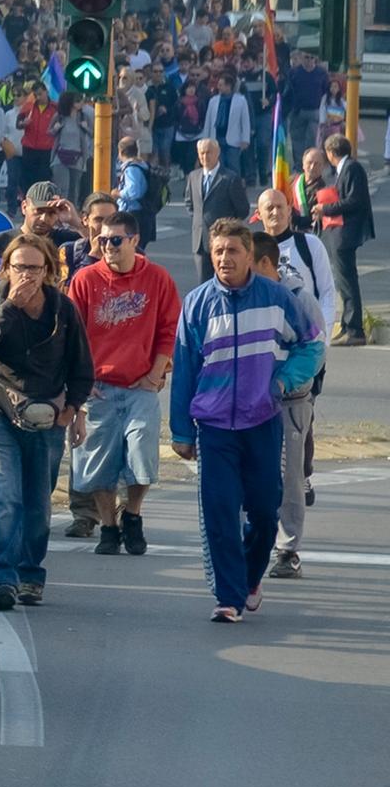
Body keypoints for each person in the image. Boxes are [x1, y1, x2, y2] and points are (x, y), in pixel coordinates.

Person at [171, 219, 324, 622]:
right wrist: (182, 431)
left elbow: (311, 345)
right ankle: (228, 597)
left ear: (250, 257)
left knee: (264, 509)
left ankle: (251, 578)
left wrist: (281, 383)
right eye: (218, 251)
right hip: (214, 425)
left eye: (232, 251)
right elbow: (185, 369)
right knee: (220, 511)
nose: (224, 258)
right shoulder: (198, 303)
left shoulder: (276, 298)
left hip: (262, 421)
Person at [0, 232, 93, 611]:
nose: (27, 275)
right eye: (19, 267)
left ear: (49, 272)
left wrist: (72, 409)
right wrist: (9, 308)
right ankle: (3, 579)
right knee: (5, 499)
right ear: (6, 268)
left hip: (47, 417)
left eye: (35, 269)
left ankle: (30, 575)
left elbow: (81, 364)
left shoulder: (62, 308)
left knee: (38, 503)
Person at [64, 212, 179, 561]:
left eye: (115, 240)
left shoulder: (157, 278)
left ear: (133, 240)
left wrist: (156, 373)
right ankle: (109, 526)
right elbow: (73, 336)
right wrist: (81, 387)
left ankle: (133, 515)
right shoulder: (84, 280)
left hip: (139, 384)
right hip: (98, 385)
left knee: (142, 455)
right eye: (101, 241)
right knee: (98, 462)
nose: (107, 247)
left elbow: (169, 328)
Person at [256, 187, 335, 578]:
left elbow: (315, 338)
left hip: (290, 397)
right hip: (248, 404)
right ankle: (252, 541)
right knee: (251, 476)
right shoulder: (233, 294)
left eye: (279, 206)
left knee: (290, 475)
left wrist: (289, 381)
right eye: (266, 207)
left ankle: (287, 550)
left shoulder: (299, 283)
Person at [317, 133, 373, 344]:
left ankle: (354, 329)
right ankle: (348, 324)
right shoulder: (345, 169)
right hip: (340, 232)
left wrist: (326, 208)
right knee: (343, 281)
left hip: (346, 232)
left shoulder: (351, 168)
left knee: (347, 281)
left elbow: (354, 200)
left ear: (331, 152)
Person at [187, 137, 252, 289]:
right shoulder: (193, 177)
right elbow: (190, 204)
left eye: (209, 152)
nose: (205, 157)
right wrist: (200, 222)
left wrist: (227, 227)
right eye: (202, 153)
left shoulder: (230, 178)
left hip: (224, 240)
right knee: (204, 285)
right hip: (200, 241)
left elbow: (242, 209)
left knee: (225, 282)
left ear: (217, 153)